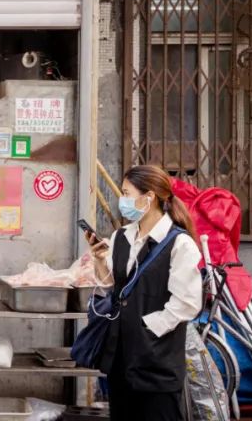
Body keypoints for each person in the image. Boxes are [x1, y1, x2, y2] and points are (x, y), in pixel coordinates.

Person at [90, 165, 202, 421]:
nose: (123, 200)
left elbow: (187, 303)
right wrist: (99, 260)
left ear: (148, 197)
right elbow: (114, 287)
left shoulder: (179, 243)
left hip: (156, 364)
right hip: (121, 360)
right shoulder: (121, 237)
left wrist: (147, 328)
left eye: (127, 193)